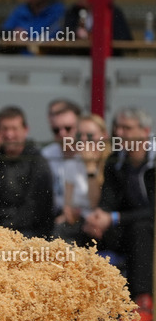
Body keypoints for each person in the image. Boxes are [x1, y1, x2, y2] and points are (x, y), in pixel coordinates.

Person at [83, 107, 153, 321]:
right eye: (118, 127)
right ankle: (92, 304)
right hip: (126, 226)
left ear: (145, 131)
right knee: (85, 232)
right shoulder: (116, 161)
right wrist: (98, 218)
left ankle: (143, 301)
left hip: (147, 227)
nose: (120, 133)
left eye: (127, 128)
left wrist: (113, 217)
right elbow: (107, 201)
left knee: (140, 229)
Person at [0, 106, 54, 239]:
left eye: (14, 129)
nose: (9, 135)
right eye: (5, 129)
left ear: (25, 130)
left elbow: (37, 208)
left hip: (31, 233)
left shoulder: (37, 161)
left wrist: (6, 232)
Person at [41, 100, 89, 245]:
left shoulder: (89, 156)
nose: (62, 134)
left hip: (85, 220)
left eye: (68, 128)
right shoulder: (45, 156)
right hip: (53, 218)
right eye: (56, 130)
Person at [63, 0, 132, 43]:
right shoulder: (73, 11)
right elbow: (64, 34)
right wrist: (76, 33)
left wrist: (98, 37)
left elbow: (125, 38)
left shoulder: (113, 12)